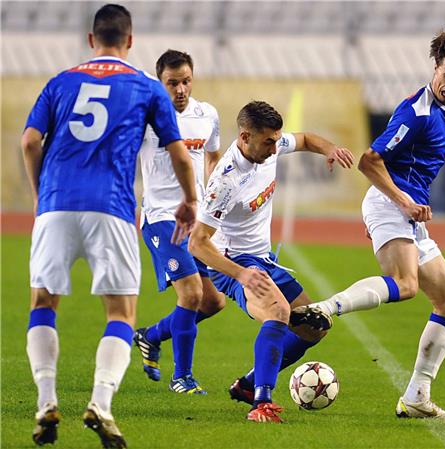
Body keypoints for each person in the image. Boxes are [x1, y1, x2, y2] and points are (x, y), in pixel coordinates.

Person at [21, 5, 197, 448]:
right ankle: (100, 403)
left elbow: (28, 141)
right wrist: (190, 201)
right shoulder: (144, 86)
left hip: (57, 203)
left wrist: (42, 195)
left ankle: (46, 401)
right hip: (113, 208)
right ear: (131, 41)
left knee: (44, 303)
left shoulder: (61, 81)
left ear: (90, 39)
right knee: (120, 314)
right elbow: (178, 152)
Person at [291, 27, 445, 420]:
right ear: (435, 66)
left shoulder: (442, 110)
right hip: (391, 204)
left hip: (408, 214)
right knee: (406, 285)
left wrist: (409, 206)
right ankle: (327, 308)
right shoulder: (416, 113)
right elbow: (370, 159)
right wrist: (401, 201)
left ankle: (416, 396)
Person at [188, 101, 354, 423]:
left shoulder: (270, 147)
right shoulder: (226, 181)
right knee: (278, 312)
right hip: (233, 263)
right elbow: (197, 243)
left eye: (277, 140)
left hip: (262, 258)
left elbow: (305, 139)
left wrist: (331, 148)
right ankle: (261, 403)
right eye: (268, 142)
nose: (275, 147)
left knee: (314, 328)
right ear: (245, 136)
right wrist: (242, 275)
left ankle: (248, 384)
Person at [133, 49, 225, 395]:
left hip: (197, 221)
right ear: (161, 83)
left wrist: (214, 193)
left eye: (186, 81)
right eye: (172, 83)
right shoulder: (146, 116)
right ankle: (182, 378)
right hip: (161, 219)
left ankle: (151, 335)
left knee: (213, 302)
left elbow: (213, 154)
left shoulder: (207, 115)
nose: (181, 89)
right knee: (191, 294)